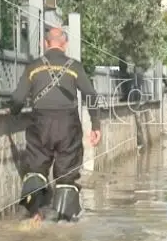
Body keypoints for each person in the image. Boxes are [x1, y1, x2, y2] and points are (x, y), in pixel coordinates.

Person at [10, 27, 102, 222]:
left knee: (36, 169)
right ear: (65, 44)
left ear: (45, 43)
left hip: (40, 124)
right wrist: (95, 125)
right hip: (68, 126)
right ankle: (63, 222)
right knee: (67, 175)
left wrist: (14, 113)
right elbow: (91, 96)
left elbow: (18, 99)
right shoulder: (74, 67)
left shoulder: (33, 67)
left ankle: (34, 214)